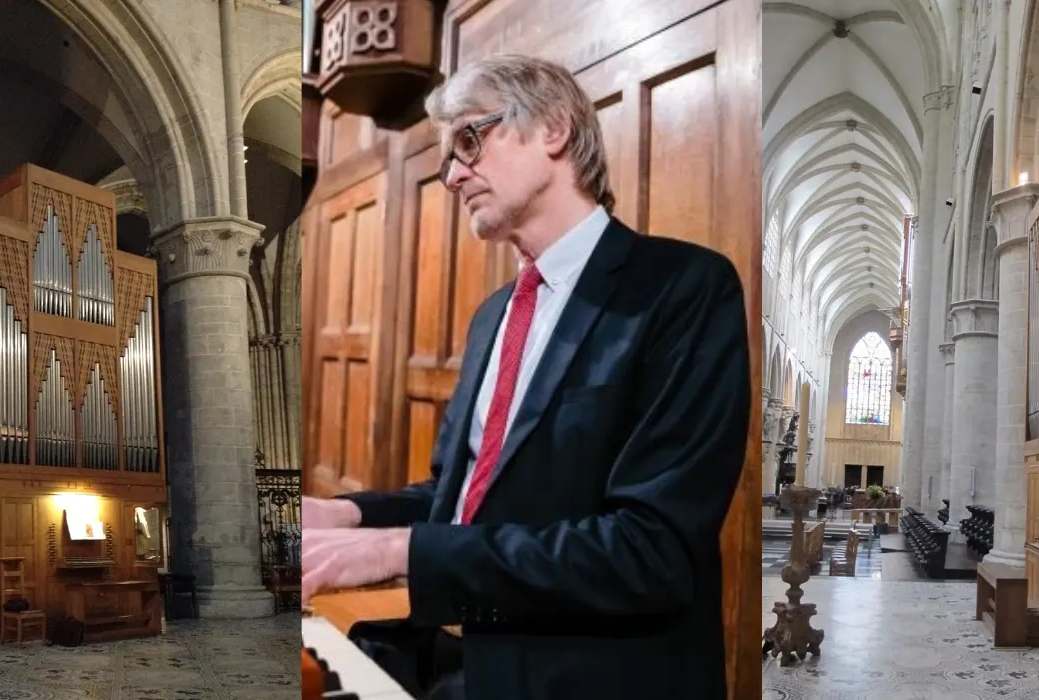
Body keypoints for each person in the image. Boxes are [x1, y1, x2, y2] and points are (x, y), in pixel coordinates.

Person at [303, 53, 750, 700]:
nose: (453, 175)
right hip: (461, 658)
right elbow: (462, 499)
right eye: (446, 157)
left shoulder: (682, 289)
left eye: (468, 141)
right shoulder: (494, 316)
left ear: (553, 129)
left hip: (590, 675)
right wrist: (347, 514)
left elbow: (651, 553)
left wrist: (400, 552)